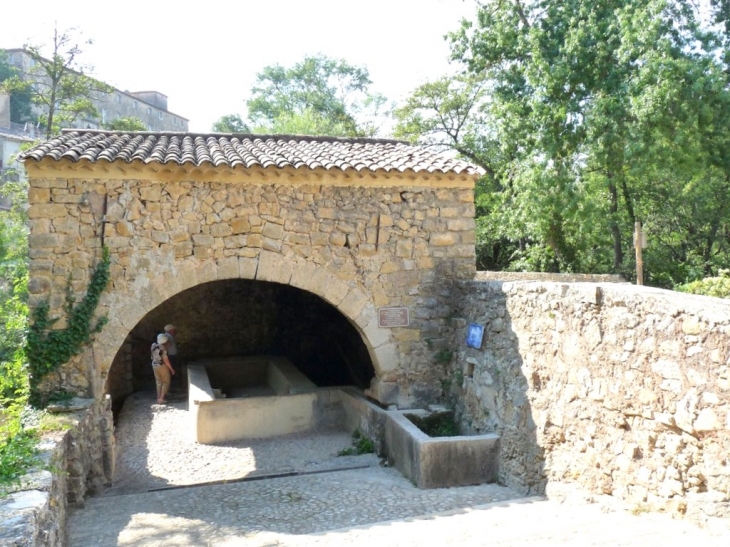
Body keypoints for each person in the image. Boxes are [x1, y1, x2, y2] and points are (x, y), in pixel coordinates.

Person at [151, 333, 175, 404]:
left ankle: (158, 397)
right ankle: (161, 398)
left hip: (154, 365)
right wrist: (171, 369)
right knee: (166, 382)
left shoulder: (153, 345)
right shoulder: (163, 349)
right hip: (162, 366)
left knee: (158, 382)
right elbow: (166, 360)